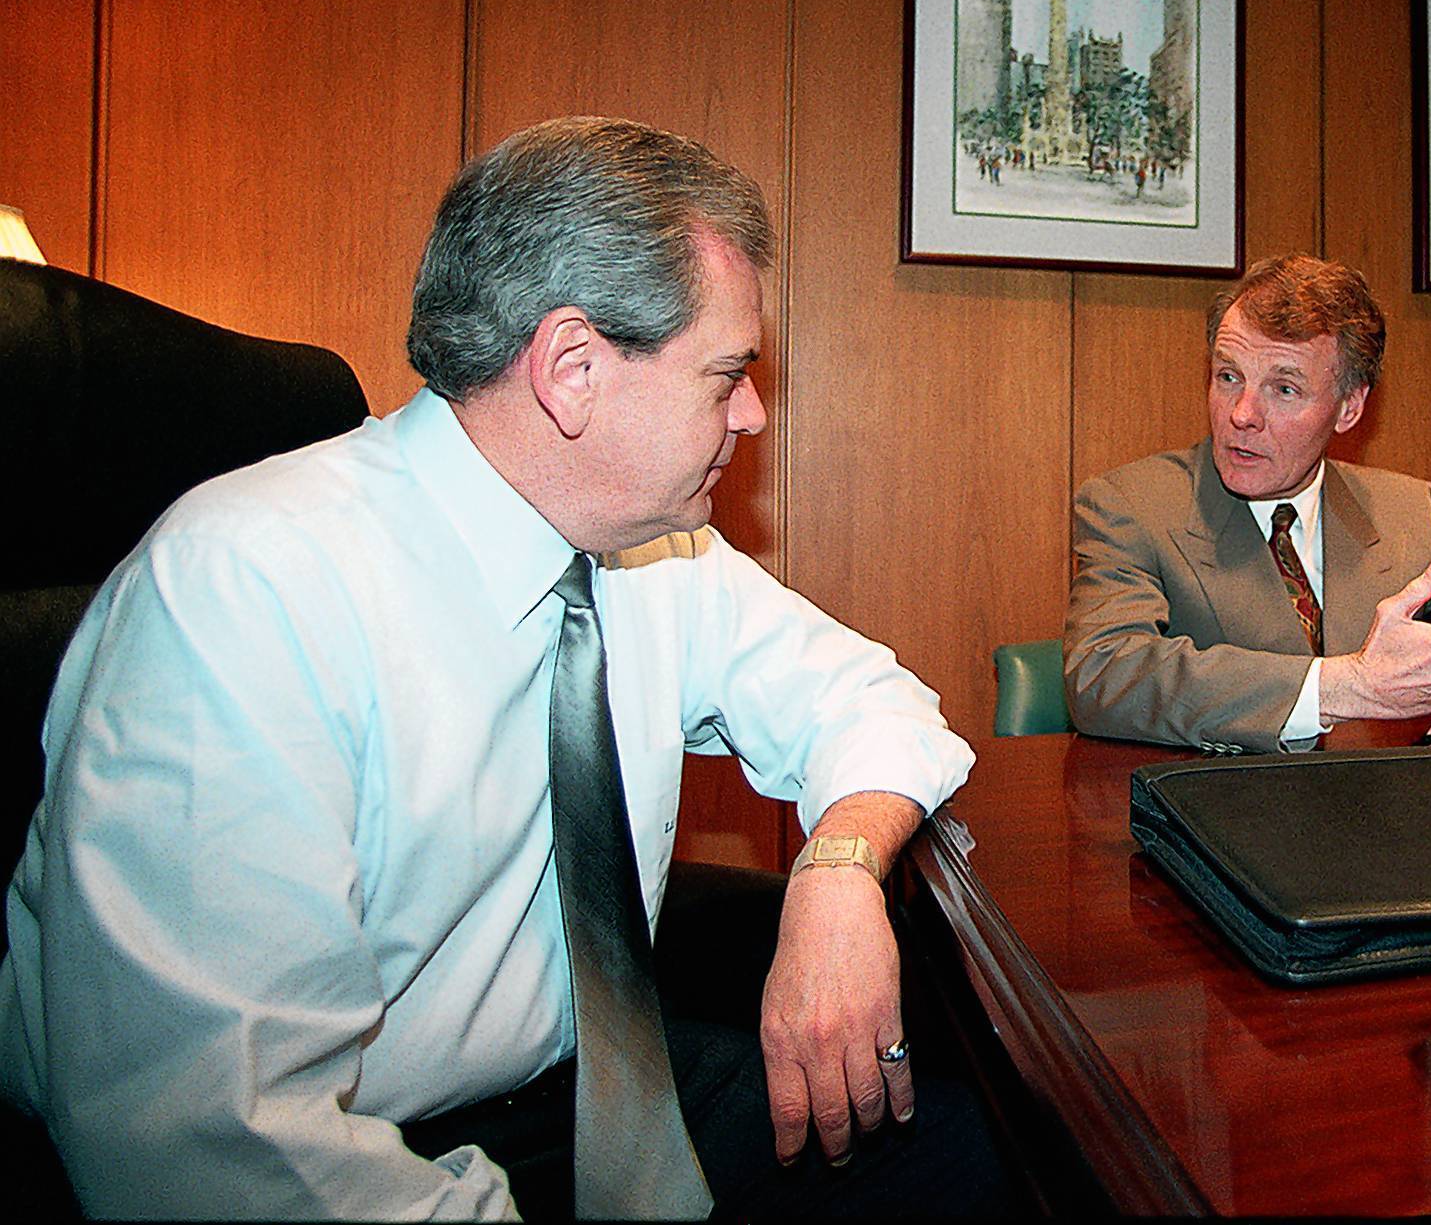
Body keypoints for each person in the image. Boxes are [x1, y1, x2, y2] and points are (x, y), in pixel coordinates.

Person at [0, 118, 1004, 1218]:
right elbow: (210, 1145)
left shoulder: (651, 551)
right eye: (726, 376)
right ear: (572, 369)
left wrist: (837, 873)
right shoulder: (244, 590)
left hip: (582, 1099)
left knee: (970, 1150)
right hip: (337, 1147)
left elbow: (873, 700)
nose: (753, 414)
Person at [1065, 252, 1431, 753]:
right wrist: (1343, 687)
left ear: (1348, 408)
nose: (1242, 414)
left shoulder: (1408, 513)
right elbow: (1103, 673)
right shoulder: (1133, 504)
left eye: (1284, 389)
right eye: (1229, 377)